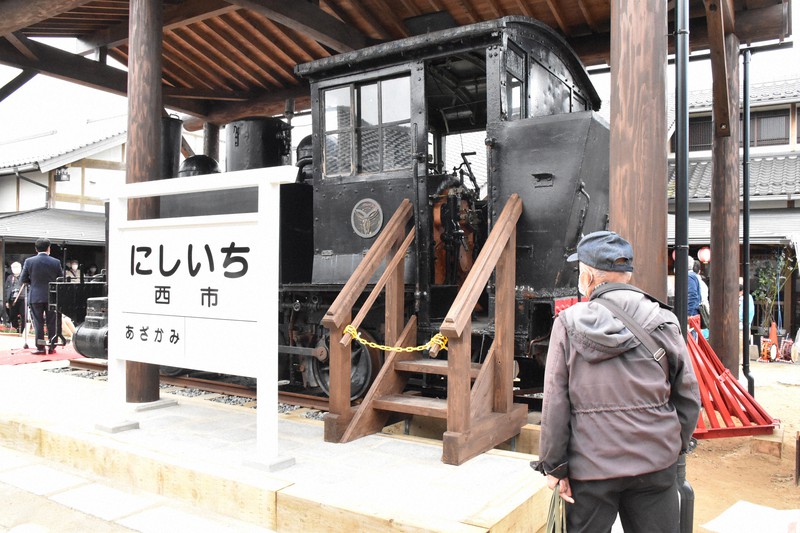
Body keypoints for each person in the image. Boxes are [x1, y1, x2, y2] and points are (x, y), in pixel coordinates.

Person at [535, 230, 701, 533]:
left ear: (587, 276)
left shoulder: (568, 323)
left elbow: (555, 403)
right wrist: (672, 445)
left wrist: (555, 466)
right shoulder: (664, 319)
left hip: (591, 466)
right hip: (655, 461)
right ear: (627, 273)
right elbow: (688, 394)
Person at [19, 238, 64, 355]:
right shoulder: (56, 262)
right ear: (49, 248)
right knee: (52, 322)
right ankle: (52, 346)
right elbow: (61, 279)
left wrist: (33, 282)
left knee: (38, 322)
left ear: (36, 249)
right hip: (52, 296)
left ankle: (40, 348)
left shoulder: (29, 261)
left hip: (35, 295)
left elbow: (23, 279)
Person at [4, 262, 26, 332]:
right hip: (12, 299)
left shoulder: (24, 276)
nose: (15, 269)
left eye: (17, 267)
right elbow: (6, 289)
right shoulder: (10, 278)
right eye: (14, 267)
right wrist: (6, 301)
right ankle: (15, 328)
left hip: (22, 298)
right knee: (13, 315)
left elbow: (28, 287)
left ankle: (23, 330)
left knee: (23, 315)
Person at [739, 278, 755, 360]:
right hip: (733, 327)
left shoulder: (748, 298)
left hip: (742, 327)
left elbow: (750, 313)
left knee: (741, 348)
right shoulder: (732, 296)